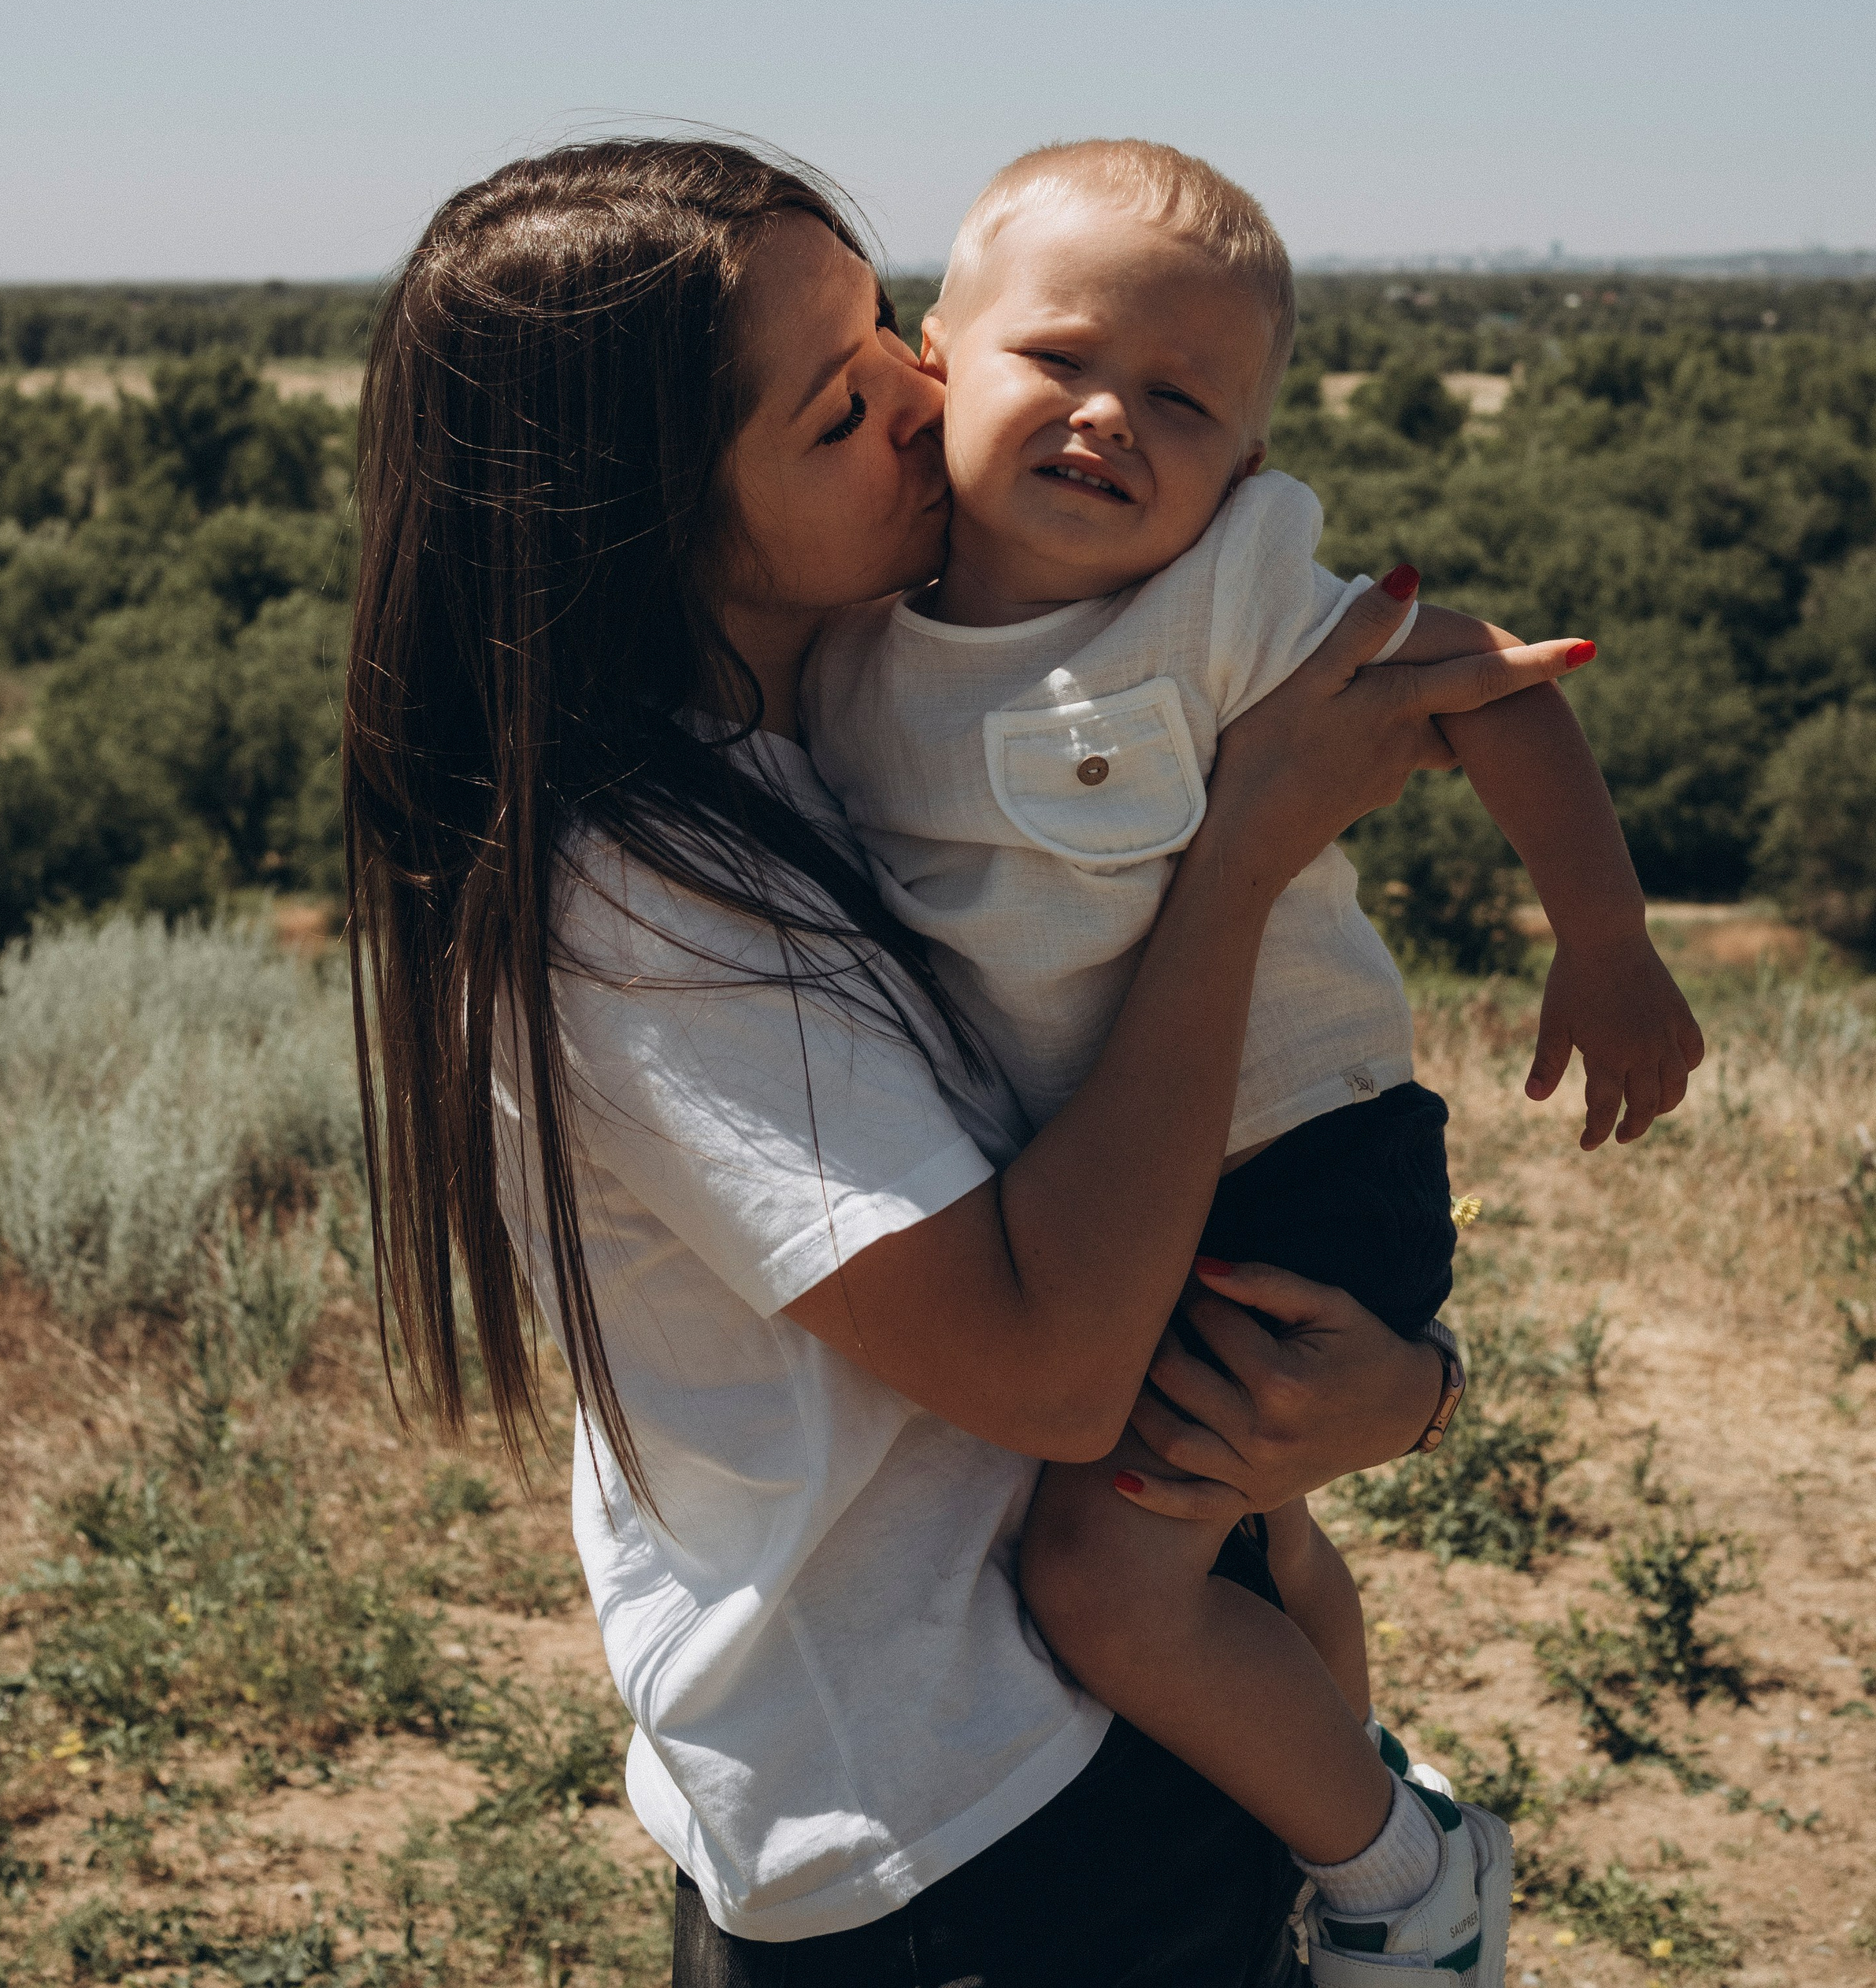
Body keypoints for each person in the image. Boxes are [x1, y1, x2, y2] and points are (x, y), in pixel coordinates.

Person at [343, 138, 1596, 1988]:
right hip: (954, 1833)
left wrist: (1404, 1395)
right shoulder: (637, 907)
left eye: (892, 339)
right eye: (838, 404)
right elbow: (1048, 1373)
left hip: (1103, 1738)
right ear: (649, 504)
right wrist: (1243, 851)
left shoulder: (837, 738)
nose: (923, 399)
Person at [804, 139, 1705, 1981]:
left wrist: (1604, 943)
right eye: (1058, 358)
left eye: (1182, 401)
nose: (1109, 418)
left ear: (1242, 460)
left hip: (1296, 1157)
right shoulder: (838, 651)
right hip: (1102, 1191)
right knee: (1250, 1537)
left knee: (1102, 1578)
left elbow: (1484, 682)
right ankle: (1345, 1792)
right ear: (927, 366)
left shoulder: (1220, 604)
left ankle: (1400, 1876)